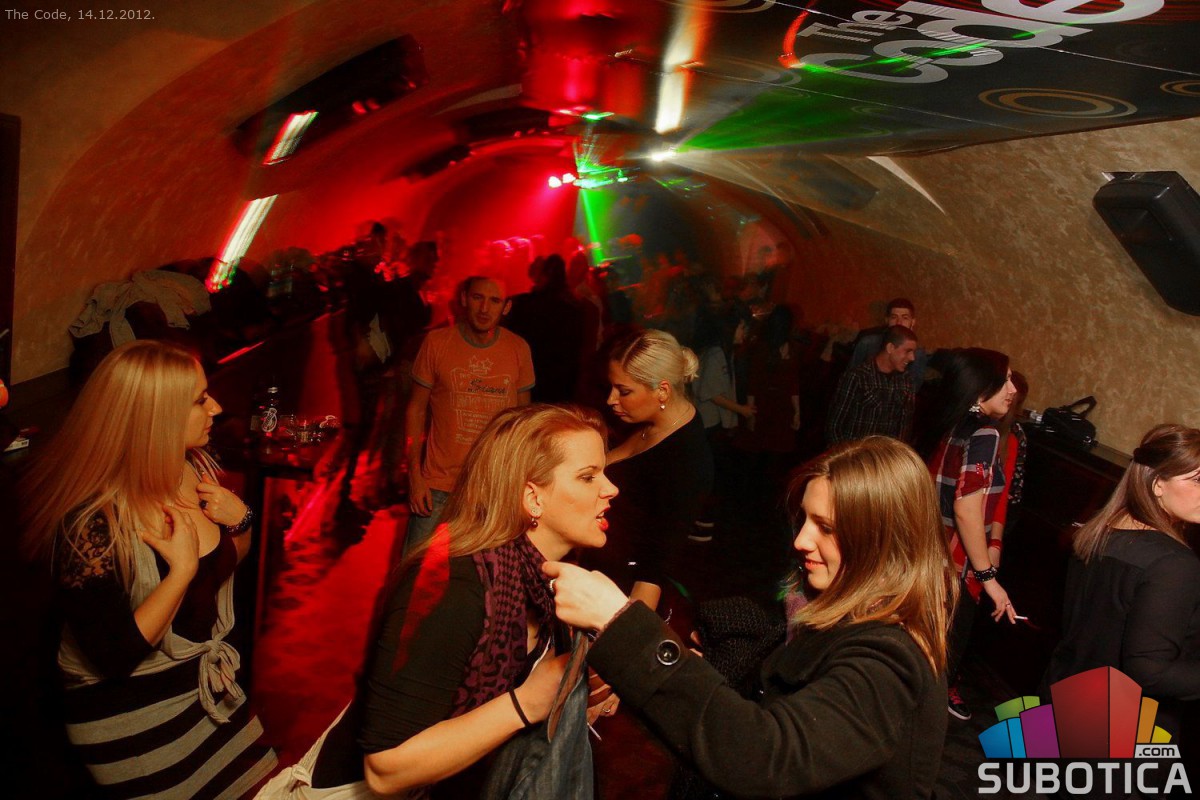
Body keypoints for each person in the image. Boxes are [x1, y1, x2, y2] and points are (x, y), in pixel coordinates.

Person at [545, 436, 955, 799]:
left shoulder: (889, 658)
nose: (801, 540)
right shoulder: (826, 605)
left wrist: (622, 624)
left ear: (882, 542)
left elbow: (765, 757)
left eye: (826, 528)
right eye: (804, 519)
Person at [266, 404, 618, 798]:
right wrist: (528, 703)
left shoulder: (546, 582)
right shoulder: (454, 585)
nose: (611, 489)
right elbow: (385, 768)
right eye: (588, 476)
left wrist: (581, 690)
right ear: (531, 497)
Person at [20, 340, 276, 799]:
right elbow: (114, 657)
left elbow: (220, 569)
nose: (216, 408)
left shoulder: (194, 467)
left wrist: (243, 521)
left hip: (204, 691)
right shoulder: (91, 522)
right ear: (157, 417)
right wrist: (179, 571)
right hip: (131, 716)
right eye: (200, 399)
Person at [1043, 423, 1200, 741]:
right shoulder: (1173, 564)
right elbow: (1149, 672)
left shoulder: (1096, 532)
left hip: (1065, 702)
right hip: (1121, 727)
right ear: (1157, 483)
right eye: (1197, 480)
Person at [404, 275, 535, 553]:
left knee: (477, 576)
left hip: (491, 489)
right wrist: (415, 475)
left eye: (495, 301)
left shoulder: (518, 349)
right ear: (464, 299)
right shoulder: (437, 342)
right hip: (438, 486)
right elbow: (415, 409)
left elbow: (521, 423)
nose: (485, 309)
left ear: (506, 307)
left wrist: (516, 485)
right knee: (412, 570)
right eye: (478, 298)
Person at [588, 328, 713, 612]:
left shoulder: (686, 458)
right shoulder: (645, 420)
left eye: (624, 391)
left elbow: (656, 566)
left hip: (621, 591)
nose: (611, 399)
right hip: (602, 568)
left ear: (662, 390)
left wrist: (628, 632)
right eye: (612, 387)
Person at [926, 348, 1020, 721]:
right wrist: (988, 578)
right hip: (955, 568)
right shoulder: (985, 432)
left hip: (927, 557)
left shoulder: (950, 422)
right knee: (940, 667)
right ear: (982, 389)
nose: (1013, 389)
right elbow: (967, 507)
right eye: (1006, 380)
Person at [826, 325, 918, 445]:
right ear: (890, 348)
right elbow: (834, 426)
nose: (912, 357)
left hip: (884, 453)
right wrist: (847, 454)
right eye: (908, 351)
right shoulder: (857, 377)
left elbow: (904, 429)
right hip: (855, 452)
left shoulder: (906, 381)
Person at [847, 298, 930, 391]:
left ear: (913, 322)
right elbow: (850, 376)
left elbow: (913, 388)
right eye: (894, 317)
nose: (899, 322)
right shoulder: (868, 342)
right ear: (887, 320)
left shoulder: (917, 353)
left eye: (905, 318)